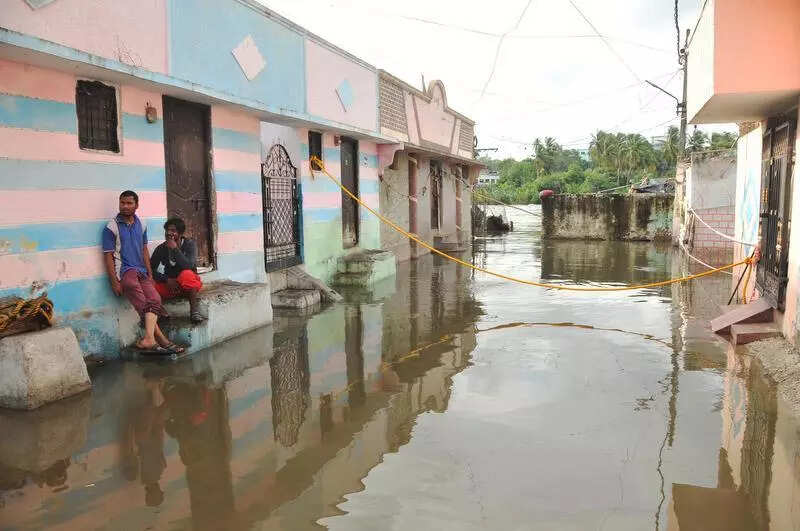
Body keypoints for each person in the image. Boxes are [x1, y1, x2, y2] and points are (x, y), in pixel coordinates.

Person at [102, 190, 185, 354]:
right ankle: (162, 340)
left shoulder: (142, 224)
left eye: (129, 203)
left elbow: (144, 249)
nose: (125, 206)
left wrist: (150, 274)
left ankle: (149, 339)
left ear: (136, 205)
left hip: (141, 271)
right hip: (125, 272)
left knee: (155, 300)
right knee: (145, 306)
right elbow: (108, 256)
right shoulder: (111, 227)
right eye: (122, 203)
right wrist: (114, 282)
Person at [150, 218, 205, 323]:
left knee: (186, 274)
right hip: (171, 286)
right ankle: (162, 314)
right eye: (167, 230)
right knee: (149, 285)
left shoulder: (190, 244)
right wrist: (166, 279)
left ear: (180, 233)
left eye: (173, 230)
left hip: (189, 286)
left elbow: (188, 265)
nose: (169, 233)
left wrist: (175, 249)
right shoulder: (161, 248)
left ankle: (194, 312)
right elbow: (151, 270)